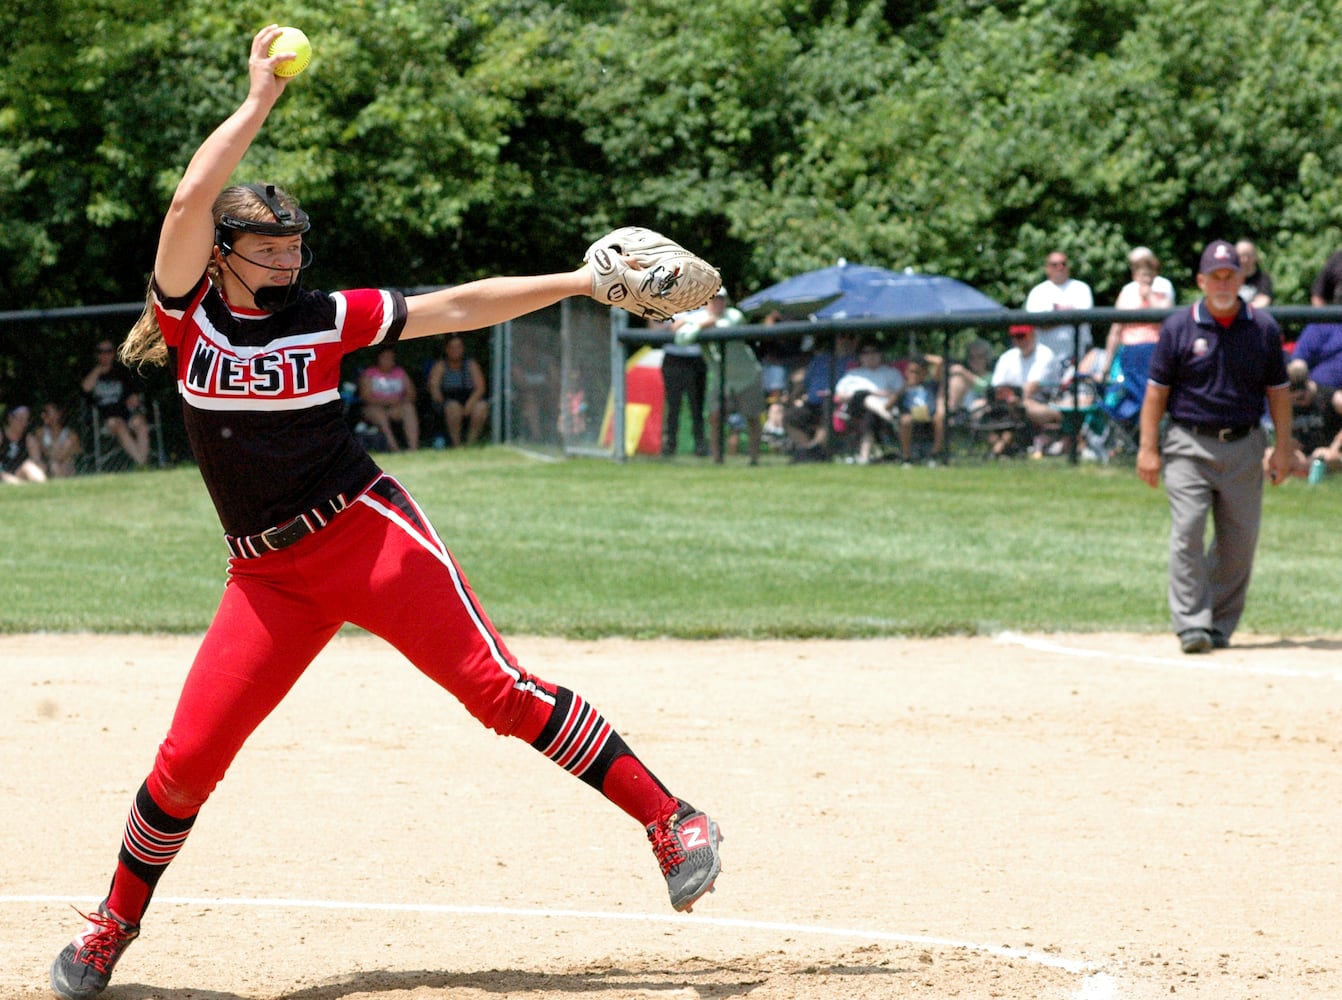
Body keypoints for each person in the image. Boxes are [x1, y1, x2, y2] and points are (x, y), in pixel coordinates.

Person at [49, 27, 723, 1000]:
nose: (286, 260)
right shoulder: (189, 318)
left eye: (294, 247)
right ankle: (113, 924)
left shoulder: (324, 316)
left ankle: (671, 819)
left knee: (495, 689)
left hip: (363, 531)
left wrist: (580, 280)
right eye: (267, 248)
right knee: (187, 760)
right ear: (222, 257)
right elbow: (191, 197)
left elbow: (454, 306)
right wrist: (258, 102)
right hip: (267, 575)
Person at [1136, 240, 1291, 655]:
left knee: (1238, 541)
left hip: (1243, 444)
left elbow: (1278, 392)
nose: (1223, 283)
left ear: (1242, 278)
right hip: (1188, 442)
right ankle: (1191, 624)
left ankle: (1219, 624)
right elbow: (1156, 394)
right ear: (1202, 281)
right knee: (1187, 531)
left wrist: (1283, 448)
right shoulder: (1179, 327)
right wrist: (1148, 448)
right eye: (1215, 276)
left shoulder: (1263, 328)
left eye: (1231, 275)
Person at [673, 290, 762, 464]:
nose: (717, 303)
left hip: (747, 375)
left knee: (752, 418)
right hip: (722, 378)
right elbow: (681, 338)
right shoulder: (700, 318)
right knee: (714, 417)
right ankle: (717, 459)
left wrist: (695, 324)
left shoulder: (734, 315)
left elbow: (725, 326)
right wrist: (699, 325)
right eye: (713, 299)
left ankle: (754, 459)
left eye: (721, 299)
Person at [988, 324, 1064, 457]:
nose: (1020, 340)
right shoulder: (1007, 357)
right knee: (981, 406)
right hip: (1008, 405)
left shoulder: (1044, 354)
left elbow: (1029, 389)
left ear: (1033, 335)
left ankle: (997, 451)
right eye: (1016, 336)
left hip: (1045, 404)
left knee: (1022, 405)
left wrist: (1012, 398)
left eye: (1023, 336)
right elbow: (996, 388)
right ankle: (1000, 449)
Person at [1101, 246, 1176, 378]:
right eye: (1142, 273)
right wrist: (1107, 363)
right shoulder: (1126, 294)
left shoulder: (1163, 292)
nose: (1146, 278)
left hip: (1155, 350)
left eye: (1149, 273)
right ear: (1135, 275)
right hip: (1129, 351)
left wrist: (1149, 295)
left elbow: (1169, 321)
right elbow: (1116, 330)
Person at [783, 330, 859, 461]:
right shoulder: (821, 359)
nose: (845, 340)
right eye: (842, 336)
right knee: (790, 417)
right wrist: (792, 397)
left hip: (838, 403)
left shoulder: (856, 362)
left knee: (828, 412)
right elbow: (804, 383)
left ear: (856, 341)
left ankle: (814, 451)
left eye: (850, 336)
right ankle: (807, 450)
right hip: (812, 402)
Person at [81, 339, 152, 467]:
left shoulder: (121, 372)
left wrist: (133, 399)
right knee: (119, 425)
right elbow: (86, 388)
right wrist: (98, 371)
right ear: (96, 355)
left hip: (125, 414)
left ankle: (142, 461)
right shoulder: (92, 373)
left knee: (140, 423)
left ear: (113, 353)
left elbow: (133, 394)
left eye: (108, 351)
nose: (104, 355)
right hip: (104, 419)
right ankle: (142, 464)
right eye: (101, 352)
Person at [832, 341, 904, 464]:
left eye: (874, 352)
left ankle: (864, 457)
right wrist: (871, 393)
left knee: (869, 417)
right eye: (866, 353)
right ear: (860, 356)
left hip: (886, 406)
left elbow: (901, 391)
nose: (870, 356)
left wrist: (886, 395)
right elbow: (839, 396)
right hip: (855, 409)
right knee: (864, 396)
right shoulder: (853, 374)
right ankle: (891, 419)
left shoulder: (891, 372)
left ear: (880, 354)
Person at [1024, 250, 1094, 365]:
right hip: (1045, 360)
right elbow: (1036, 323)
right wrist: (1068, 314)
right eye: (1054, 264)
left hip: (1079, 357)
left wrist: (1052, 316)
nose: (1060, 267)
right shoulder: (1038, 292)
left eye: (1063, 264)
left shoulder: (1081, 288)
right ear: (1047, 268)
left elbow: (1083, 318)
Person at [660, 309, 710, 457]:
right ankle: (669, 445)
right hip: (672, 359)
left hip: (696, 359)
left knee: (697, 405)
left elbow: (712, 320)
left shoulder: (703, 302)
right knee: (673, 405)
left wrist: (687, 321)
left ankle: (700, 445)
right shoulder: (666, 298)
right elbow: (655, 326)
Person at [426, 333, 489, 447]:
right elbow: (434, 388)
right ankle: (457, 445)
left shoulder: (470, 364)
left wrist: (470, 403)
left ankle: (470, 443)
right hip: (448, 400)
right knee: (453, 408)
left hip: (468, 398)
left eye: (458, 347)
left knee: (481, 407)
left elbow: (480, 387)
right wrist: (443, 402)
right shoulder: (440, 365)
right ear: (447, 349)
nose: (456, 350)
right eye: (452, 347)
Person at [357, 345, 419, 452]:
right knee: (379, 415)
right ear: (378, 359)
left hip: (397, 407)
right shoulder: (369, 374)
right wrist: (386, 401)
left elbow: (412, 394)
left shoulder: (400, 372)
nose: (388, 361)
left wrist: (399, 402)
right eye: (385, 357)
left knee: (409, 409)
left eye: (391, 358)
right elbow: (365, 397)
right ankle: (395, 449)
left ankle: (413, 448)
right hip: (374, 408)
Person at [1290, 320, 1342, 445]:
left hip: (1331, 453)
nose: (1299, 398)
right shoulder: (1288, 402)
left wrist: (1334, 449)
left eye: (1301, 395)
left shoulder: (1331, 398)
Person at [895, 353, 944, 464]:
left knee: (940, 418)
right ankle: (906, 456)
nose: (914, 376)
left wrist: (923, 357)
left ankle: (935, 454)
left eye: (917, 372)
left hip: (929, 415)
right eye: (911, 372)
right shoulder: (904, 388)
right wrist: (903, 389)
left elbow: (940, 361)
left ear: (925, 373)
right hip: (911, 415)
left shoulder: (931, 385)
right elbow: (888, 406)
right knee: (905, 420)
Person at [28, 401, 82, 478]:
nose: (43, 415)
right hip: (48, 465)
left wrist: (58, 453)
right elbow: (42, 451)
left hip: (66, 464)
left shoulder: (70, 434)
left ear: (58, 414)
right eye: (43, 413)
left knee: (67, 448)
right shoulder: (40, 433)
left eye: (47, 412)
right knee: (54, 465)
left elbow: (77, 451)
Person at [1, 405, 47, 483]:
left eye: (26, 420)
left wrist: (40, 468)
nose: (24, 423)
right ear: (10, 418)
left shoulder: (29, 439)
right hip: (3, 472)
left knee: (32, 470)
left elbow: (37, 460)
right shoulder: (1, 436)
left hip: (19, 471)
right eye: (21, 419)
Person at [1236, 239, 1273, 307]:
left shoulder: (1263, 278)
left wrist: (1240, 310)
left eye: (1248, 255)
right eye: (1240, 256)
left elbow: (1264, 301)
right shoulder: (1230, 279)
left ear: (1255, 257)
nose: (1244, 260)